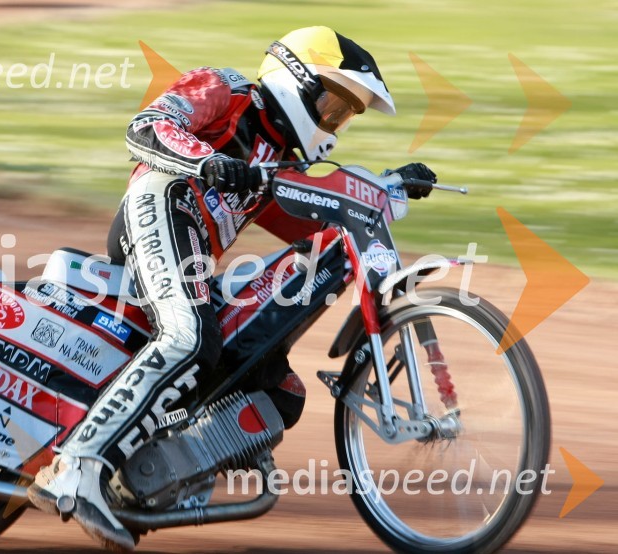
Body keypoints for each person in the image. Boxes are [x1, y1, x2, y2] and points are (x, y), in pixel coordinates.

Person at [27, 26, 436, 551]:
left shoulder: (280, 161)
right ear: (297, 80)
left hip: (194, 255)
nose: (334, 124)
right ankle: (76, 469)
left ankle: (142, 481)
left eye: (344, 115)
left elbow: (318, 225)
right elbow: (146, 126)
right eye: (333, 106)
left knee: (275, 389)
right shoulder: (229, 90)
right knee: (191, 338)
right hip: (163, 201)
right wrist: (205, 161)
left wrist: (386, 187)